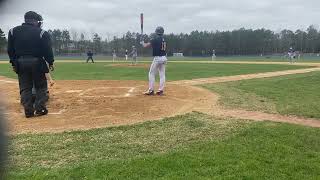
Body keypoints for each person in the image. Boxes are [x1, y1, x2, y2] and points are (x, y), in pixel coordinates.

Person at [7, 11, 54, 118]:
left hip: (20, 62)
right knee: (40, 87)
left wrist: (14, 63)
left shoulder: (13, 31)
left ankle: (28, 111)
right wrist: (50, 62)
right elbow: (48, 50)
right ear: (35, 21)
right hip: (37, 62)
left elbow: (10, 50)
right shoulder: (42, 33)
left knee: (25, 87)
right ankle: (40, 108)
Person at [140, 26, 167, 96]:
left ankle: (151, 90)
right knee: (162, 75)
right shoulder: (164, 39)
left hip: (157, 58)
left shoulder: (155, 39)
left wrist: (142, 43)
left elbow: (145, 46)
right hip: (164, 58)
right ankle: (160, 90)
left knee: (151, 73)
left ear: (156, 32)